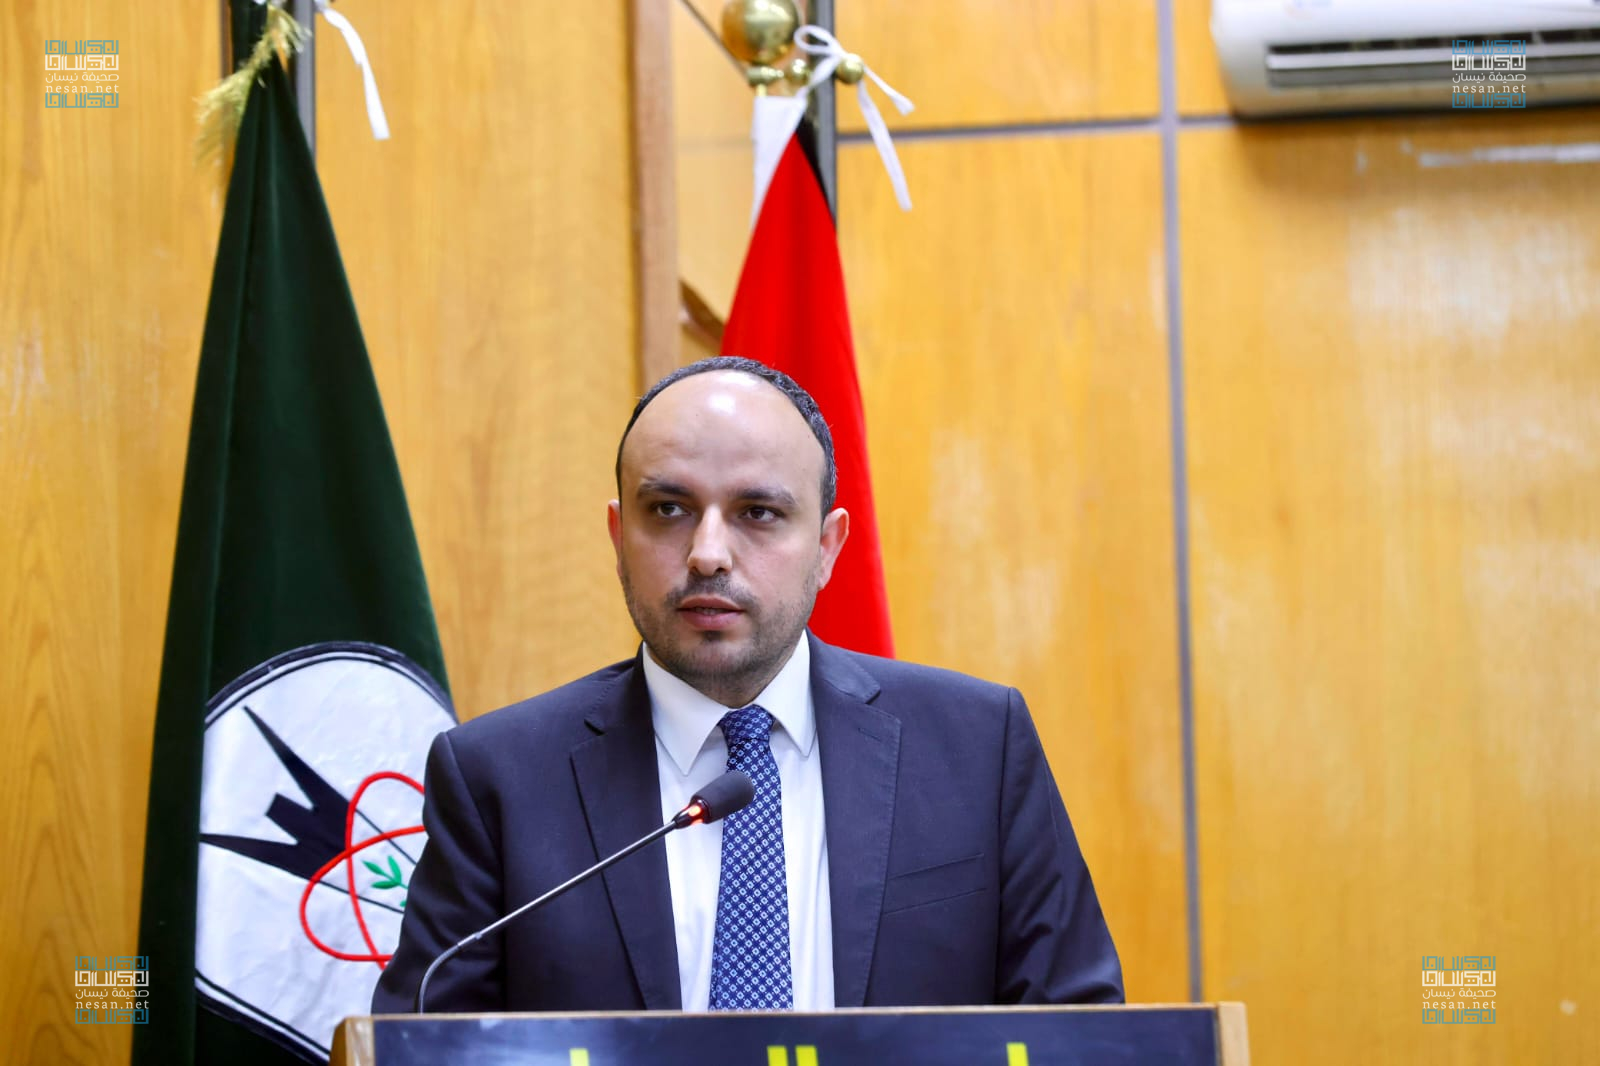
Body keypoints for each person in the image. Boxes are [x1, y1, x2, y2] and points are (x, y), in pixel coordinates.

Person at [373, 356, 1123, 1013]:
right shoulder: (499, 778)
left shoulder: (978, 748)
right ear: (618, 538)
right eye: (668, 510)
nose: (707, 554)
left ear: (827, 547)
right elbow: (426, 1042)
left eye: (758, 512)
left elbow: (1081, 1030)